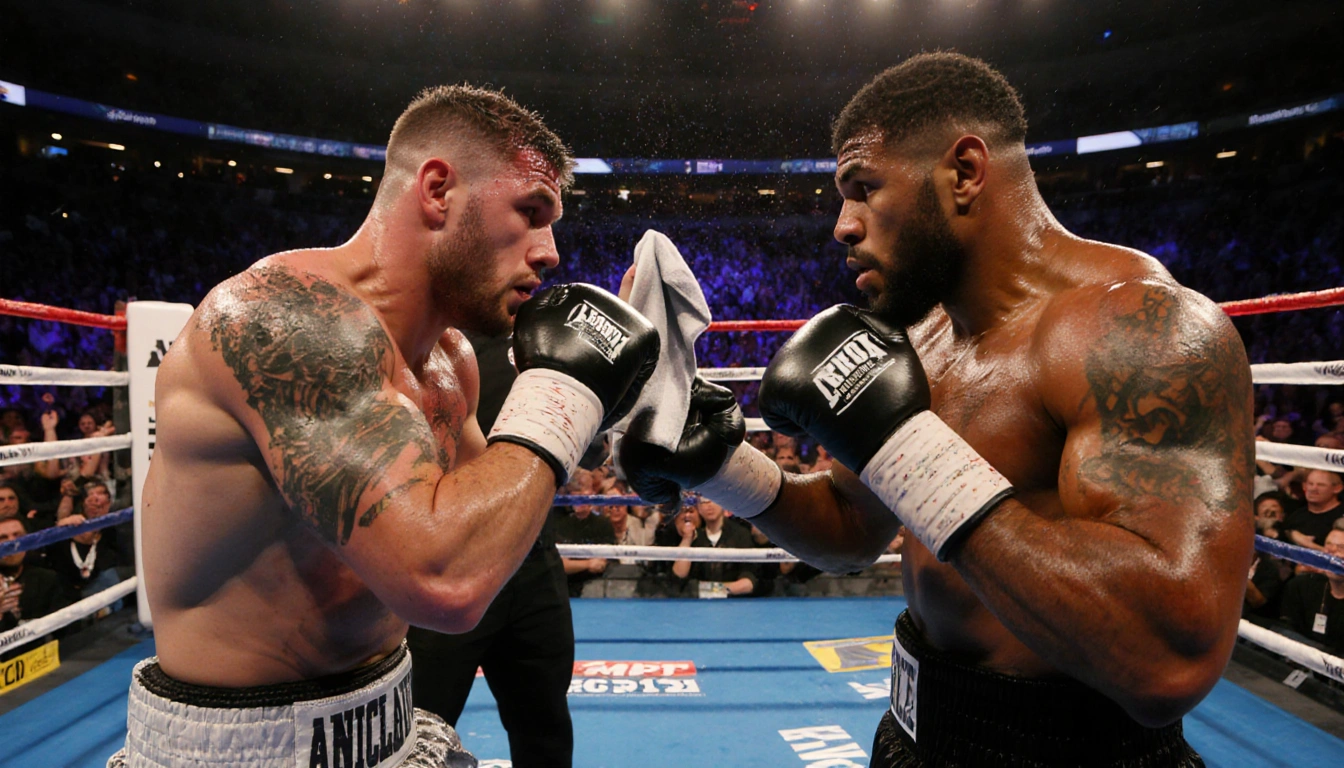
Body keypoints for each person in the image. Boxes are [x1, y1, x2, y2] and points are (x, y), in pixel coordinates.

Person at [622, 53, 1252, 766]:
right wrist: (722, 465)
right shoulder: (920, 336)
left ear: (965, 172)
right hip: (916, 729)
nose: (842, 226)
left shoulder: (1138, 327)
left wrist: (908, 451)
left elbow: (1168, 659)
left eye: (863, 188)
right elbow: (852, 525)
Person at [118, 85, 658, 768]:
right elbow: (445, 580)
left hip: (389, 719)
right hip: (243, 748)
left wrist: (619, 413)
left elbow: (488, 529)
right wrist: (561, 393)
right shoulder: (283, 319)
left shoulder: (448, 361)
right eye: (530, 212)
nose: (549, 252)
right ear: (438, 190)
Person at [406, 332, 577, 768]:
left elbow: (587, 451)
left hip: (532, 561)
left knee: (546, 728)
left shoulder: (543, 343)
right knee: (414, 735)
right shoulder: (421, 344)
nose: (542, 259)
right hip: (444, 560)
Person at [0, 517, 69, 661]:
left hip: (41, 667)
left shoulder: (46, 579)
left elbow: (65, 631)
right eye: (3, 538)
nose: (13, 543)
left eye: (18, 536)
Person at [1278, 524, 1344, 653]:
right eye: (1328, 546)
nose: (1332, 553)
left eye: (1341, 548)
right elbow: (1286, 630)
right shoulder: (1302, 586)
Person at [671, 498, 758, 597]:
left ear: (723, 504)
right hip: (698, 605)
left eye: (714, 500)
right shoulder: (695, 537)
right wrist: (687, 539)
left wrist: (711, 590)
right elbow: (679, 576)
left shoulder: (741, 534)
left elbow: (748, 583)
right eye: (704, 502)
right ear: (698, 508)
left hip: (734, 603)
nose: (709, 506)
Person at [1280, 470, 1343, 552]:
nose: (1313, 489)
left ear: (1337, 488)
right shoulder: (1295, 516)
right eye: (1310, 484)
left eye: (1321, 485)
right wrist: (1291, 535)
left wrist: (1310, 546)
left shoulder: (1341, 515)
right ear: (1304, 486)